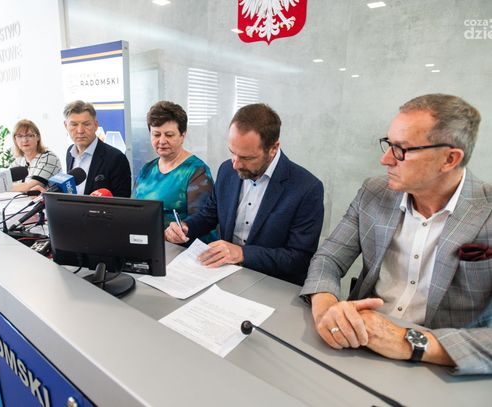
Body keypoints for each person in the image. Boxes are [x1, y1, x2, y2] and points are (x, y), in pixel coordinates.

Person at [301, 94, 492, 375]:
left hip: (437, 366)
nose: (385, 159)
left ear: (449, 159)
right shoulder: (374, 192)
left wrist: (407, 342)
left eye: (401, 149)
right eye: (389, 144)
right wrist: (326, 309)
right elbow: (328, 258)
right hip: (358, 344)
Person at [166, 103, 324, 285]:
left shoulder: (306, 188)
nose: (236, 164)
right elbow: (210, 214)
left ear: (273, 148)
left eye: (247, 158)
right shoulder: (227, 170)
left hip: (273, 284)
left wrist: (242, 253)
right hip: (224, 277)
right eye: (232, 152)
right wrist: (186, 227)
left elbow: (299, 259)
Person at [133, 101, 217, 241]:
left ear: (182, 135)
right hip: (147, 243)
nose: (162, 141)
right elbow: (133, 212)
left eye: (169, 135)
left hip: (182, 248)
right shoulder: (147, 169)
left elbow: (202, 223)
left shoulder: (197, 171)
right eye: (156, 134)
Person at [63, 100, 131, 197]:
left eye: (86, 124)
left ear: (96, 125)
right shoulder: (70, 153)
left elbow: (122, 200)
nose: (80, 131)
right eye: (74, 124)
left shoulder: (116, 158)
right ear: (66, 126)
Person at [10, 119, 62, 192]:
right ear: (15, 139)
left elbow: (30, 187)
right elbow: (4, 180)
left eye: (29, 135)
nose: (24, 140)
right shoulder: (20, 159)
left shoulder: (48, 157)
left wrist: (2, 187)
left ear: (38, 137)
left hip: (47, 200)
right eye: (20, 136)